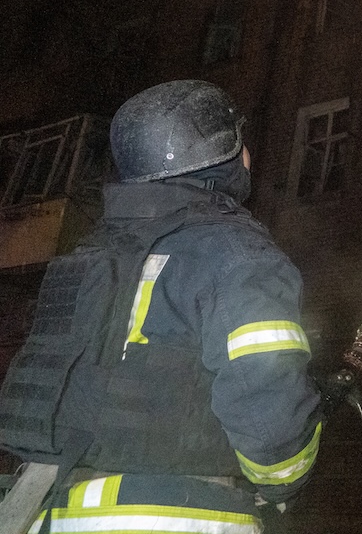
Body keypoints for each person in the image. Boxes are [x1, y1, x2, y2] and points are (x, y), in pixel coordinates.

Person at [0, 80, 322, 533]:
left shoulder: (87, 256)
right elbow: (267, 408)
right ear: (219, 156)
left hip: (42, 510)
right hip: (173, 515)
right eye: (242, 143)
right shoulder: (239, 256)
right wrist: (284, 483)